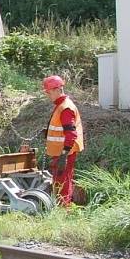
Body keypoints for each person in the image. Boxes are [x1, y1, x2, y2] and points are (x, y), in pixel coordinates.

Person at [43, 75, 84, 206]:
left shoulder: (65, 108)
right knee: (64, 179)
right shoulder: (61, 105)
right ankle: (66, 206)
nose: (48, 95)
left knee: (62, 181)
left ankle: (62, 210)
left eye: (49, 92)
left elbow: (71, 134)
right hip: (62, 152)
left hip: (64, 153)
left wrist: (64, 155)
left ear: (56, 90)